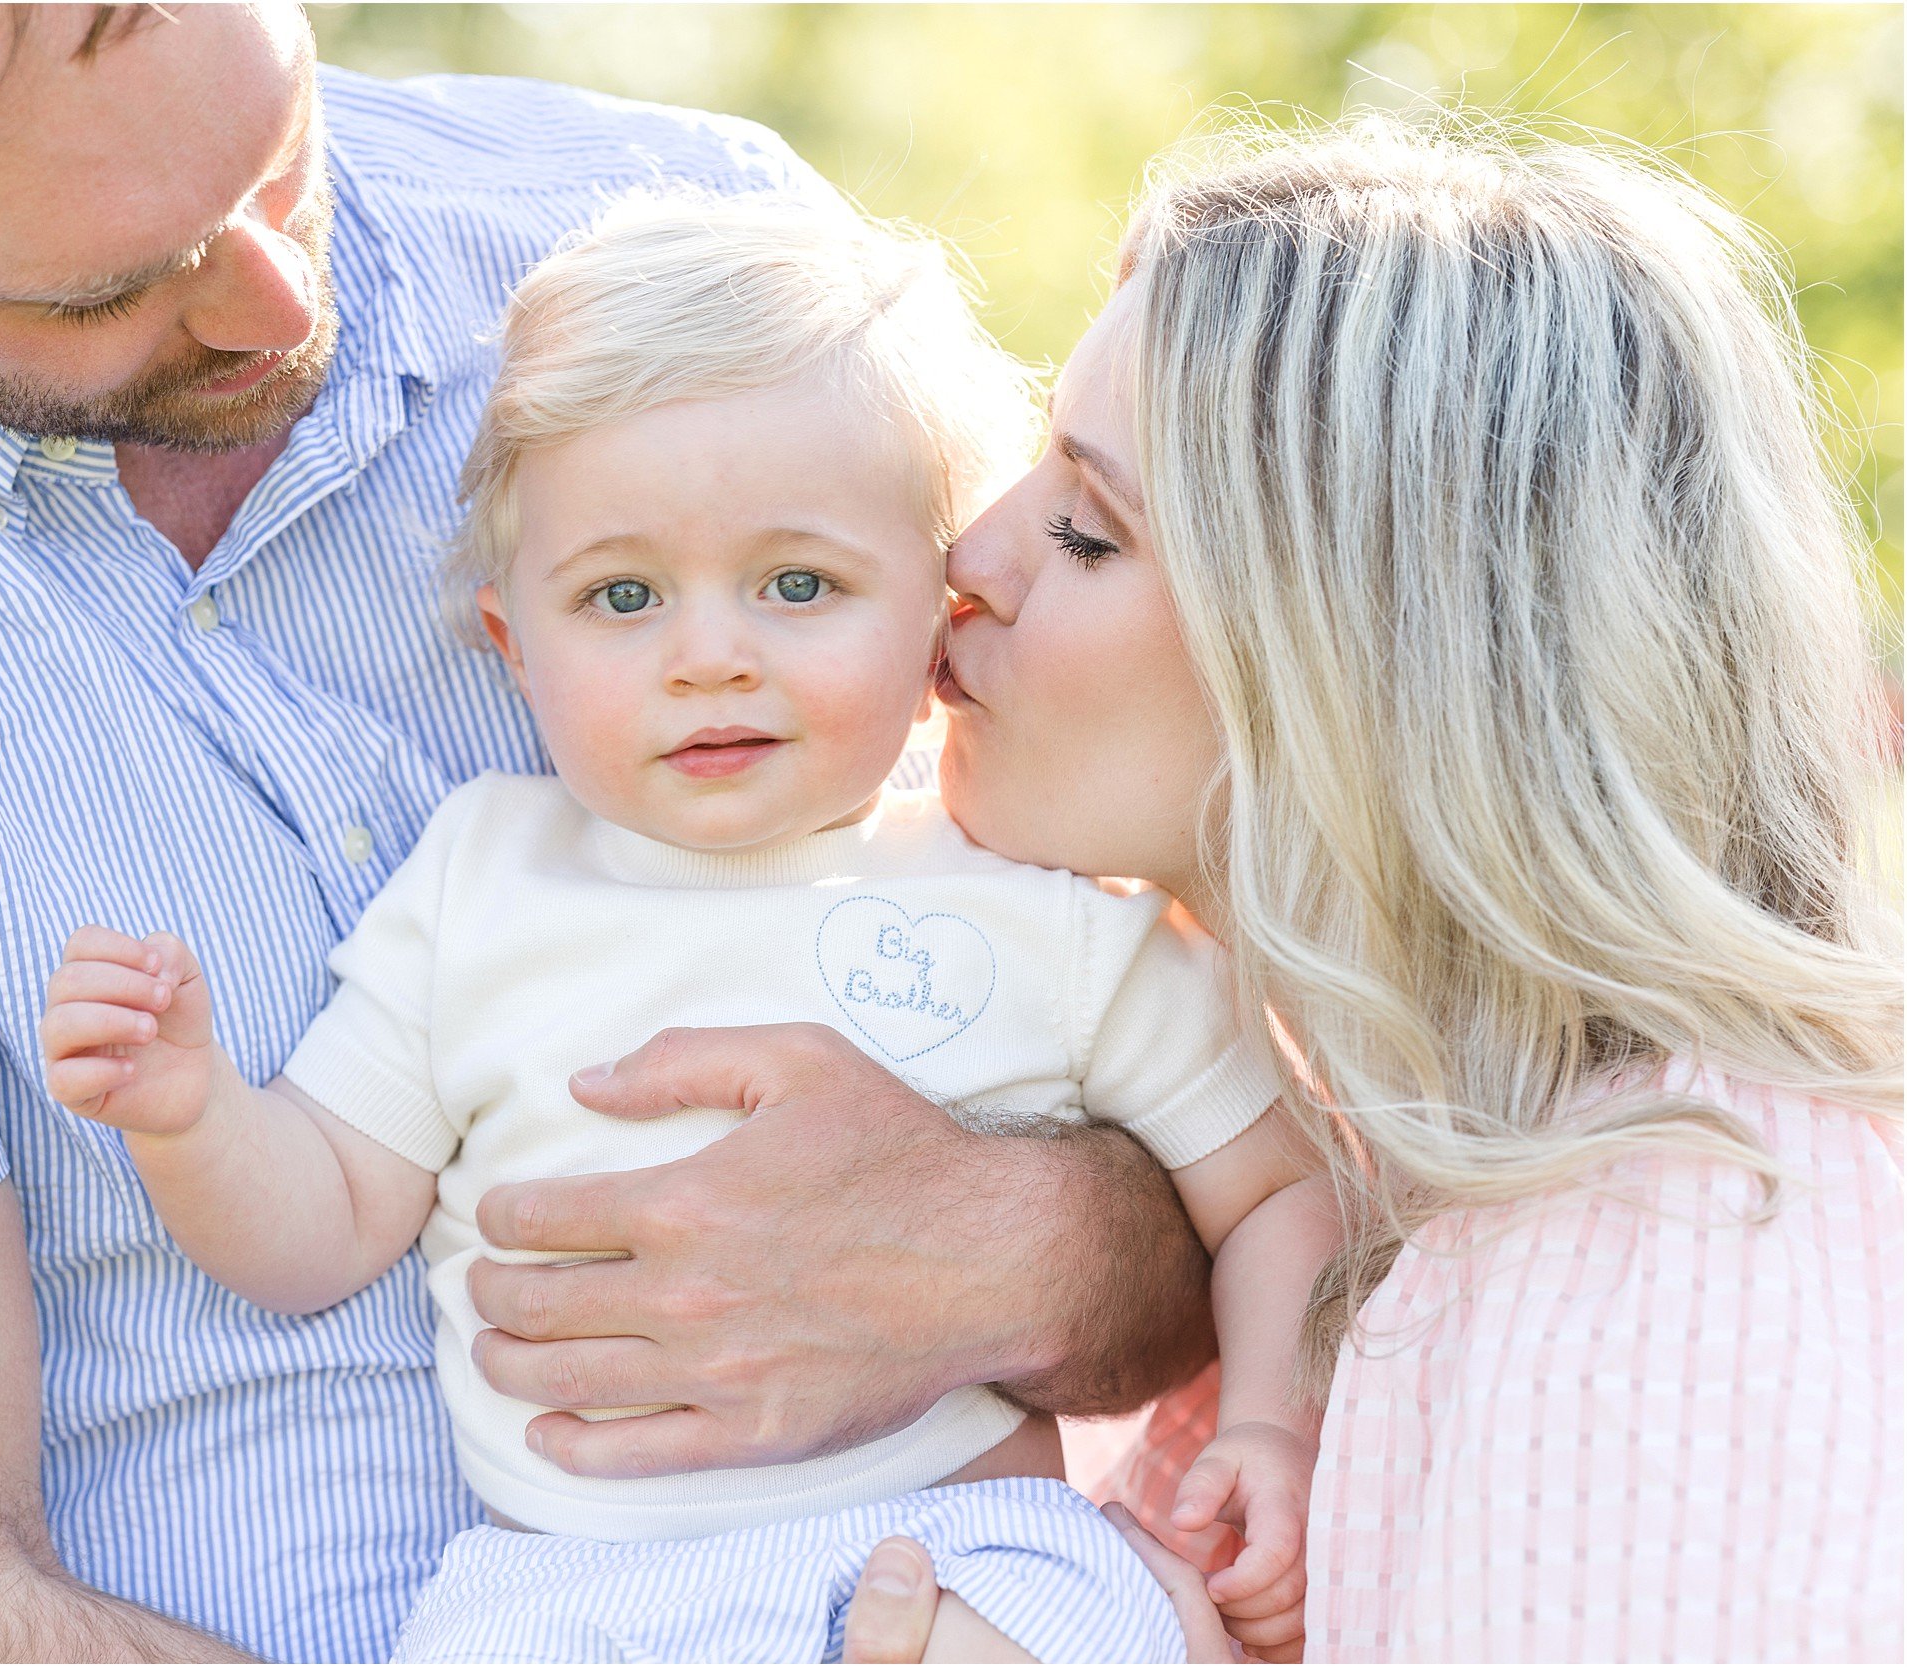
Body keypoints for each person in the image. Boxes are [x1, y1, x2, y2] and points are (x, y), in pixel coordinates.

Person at [0, 6, 1222, 1657]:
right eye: (107, 288)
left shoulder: (687, 258)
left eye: (281, 160)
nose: (283, 304)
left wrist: (1026, 1244)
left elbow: (1159, 981)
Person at [606, 115, 1906, 1661]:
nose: (973, 554)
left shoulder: (1676, 1246)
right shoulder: (1357, 1179)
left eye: (1087, 531)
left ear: (1371, 672)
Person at [40, 191, 1338, 1662]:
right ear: (514, 648)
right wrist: (188, 1111)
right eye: (623, 596)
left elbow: (1281, 1193)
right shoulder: (481, 882)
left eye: (799, 585)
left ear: (939, 609)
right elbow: (321, 1223)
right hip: (565, 1591)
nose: (710, 656)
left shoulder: (1034, 905)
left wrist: (1271, 1432)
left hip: (960, 1546)